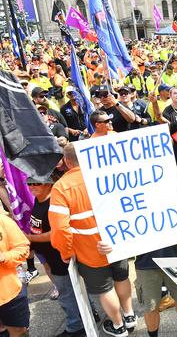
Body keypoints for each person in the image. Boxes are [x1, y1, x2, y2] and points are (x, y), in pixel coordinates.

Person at [49, 144, 137, 337]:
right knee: (121, 277)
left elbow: (60, 229)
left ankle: (118, 325)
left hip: (89, 250)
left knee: (105, 288)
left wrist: (66, 252)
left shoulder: (61, 187)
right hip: (117, 240)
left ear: (66, 161)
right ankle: (130, 315)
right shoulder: (105, 175)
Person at [131, 199, 177, 337]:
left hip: (174, 257)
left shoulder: (172, 191)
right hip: (146, 262)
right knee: (151, 305)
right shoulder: (132, 194)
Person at [26, 176, 85, 337]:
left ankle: (76, 327)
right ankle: (88, 316)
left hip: (60, 256)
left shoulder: (53, 204)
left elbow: (55, 233)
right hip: (50, 256)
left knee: (66, 293)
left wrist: (31, 238)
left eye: (36, 183)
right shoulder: (39, 200)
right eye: (29, 183)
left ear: (48, 184)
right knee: (73, 290)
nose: (32, 186)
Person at [0, 213, 30, 337]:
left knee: (19, 331)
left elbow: (23, 248)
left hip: (9, 291)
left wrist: (4, 257)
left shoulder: (3, 221)